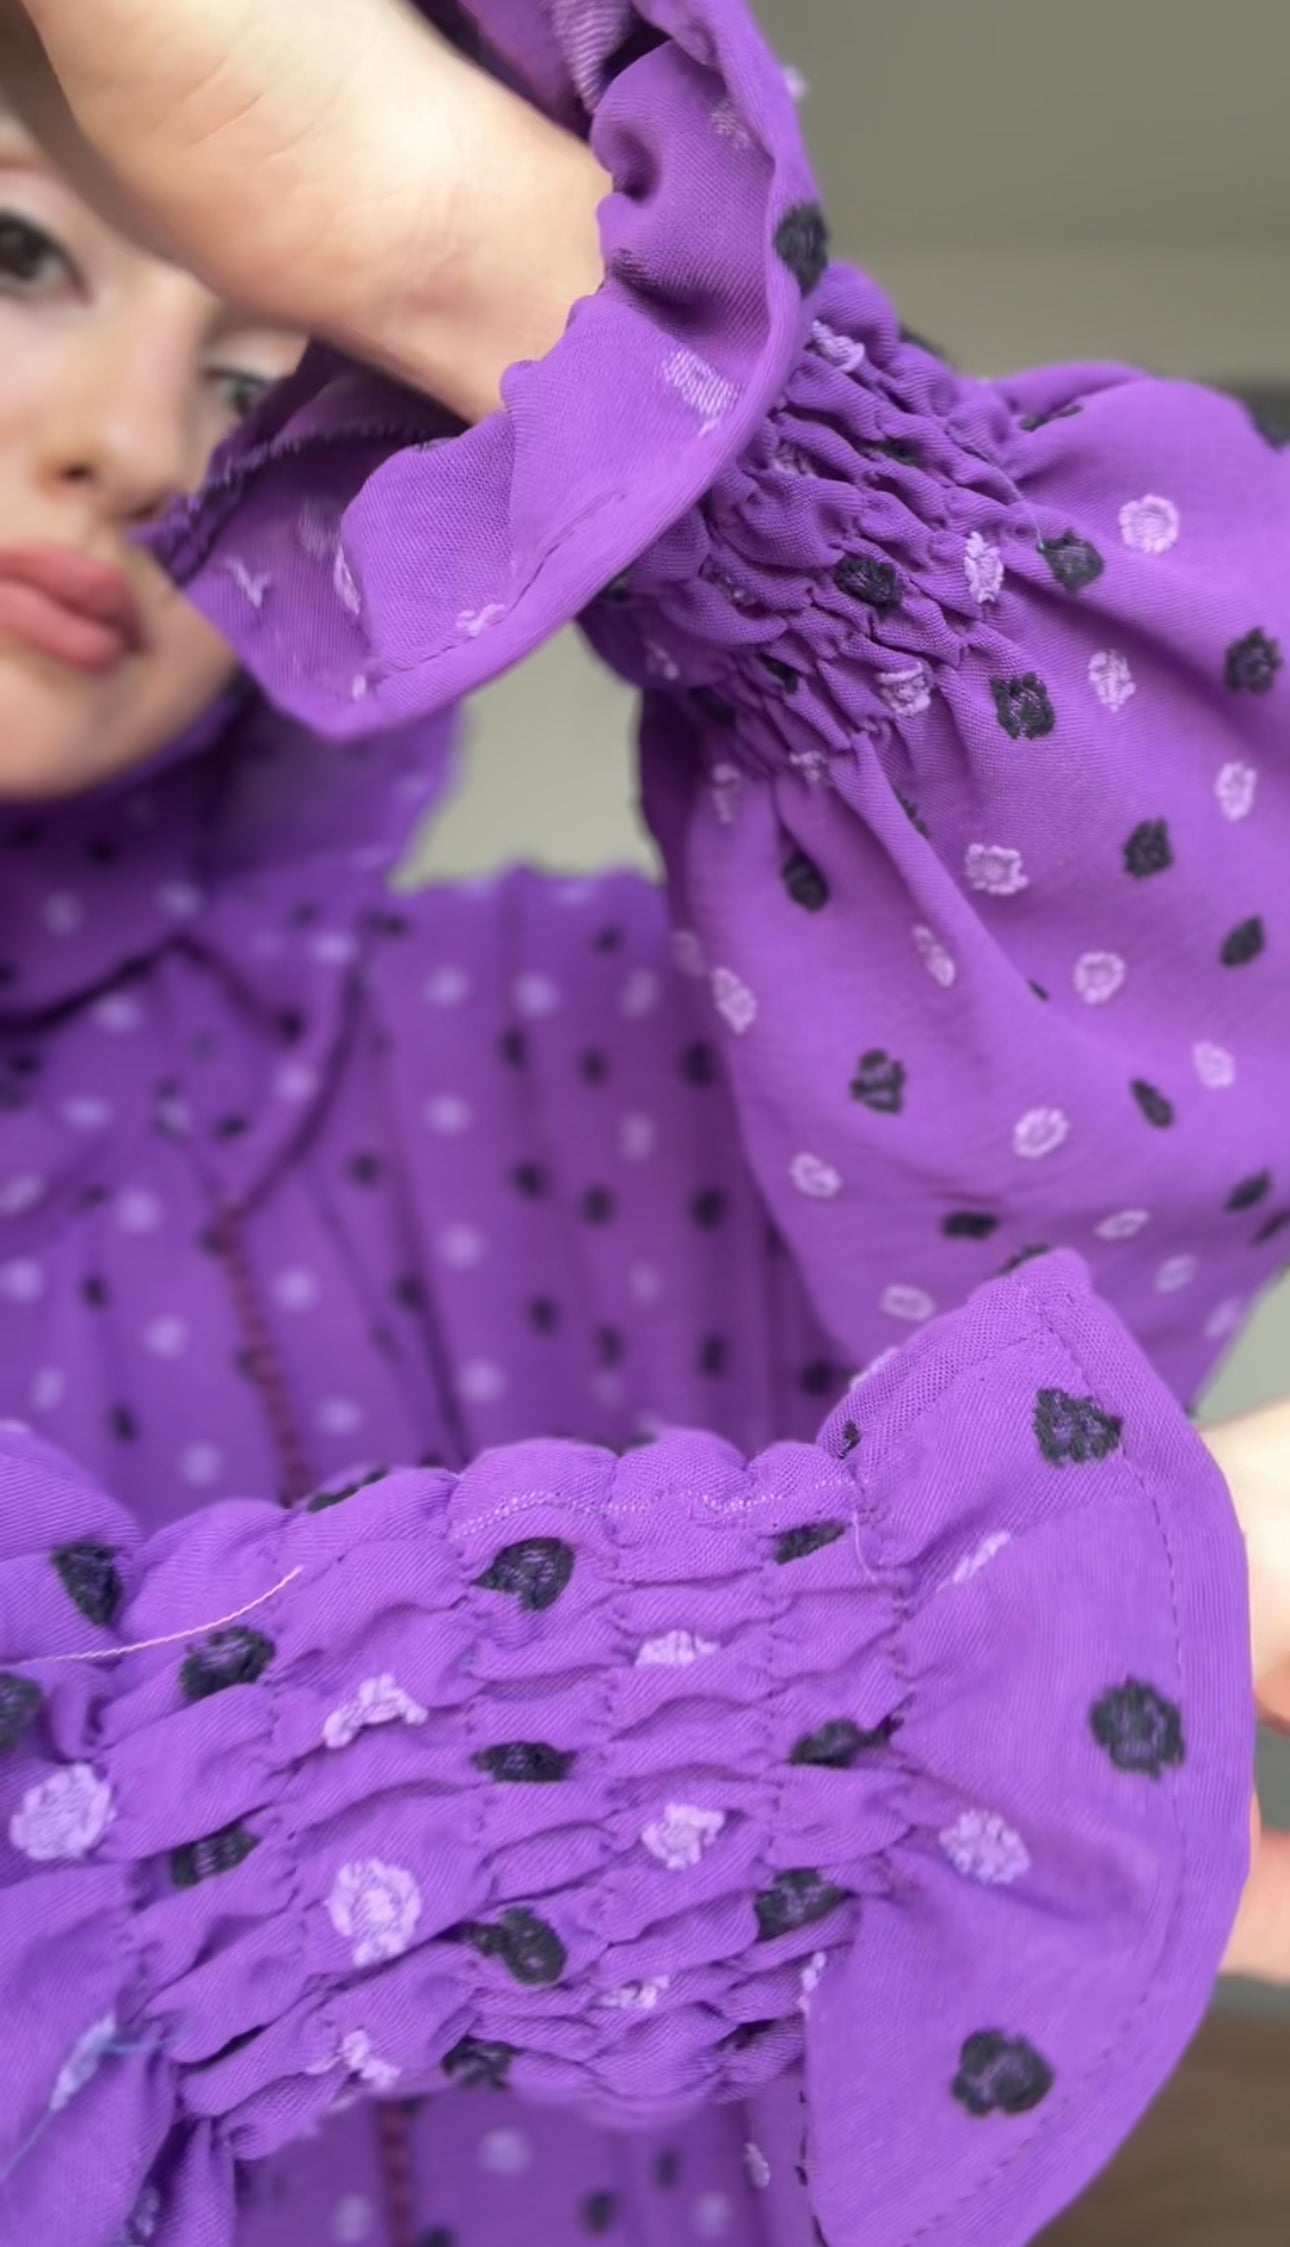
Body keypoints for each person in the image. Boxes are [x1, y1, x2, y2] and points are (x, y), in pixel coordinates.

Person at [0, 4, 1288, 2247]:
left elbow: (1191, 994)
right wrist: (879, 1671)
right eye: (21, 266)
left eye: (248, 392)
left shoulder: (543, 1031)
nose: (133, 447)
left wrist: (484, 260)